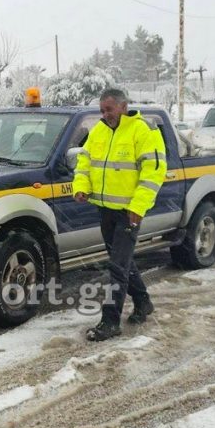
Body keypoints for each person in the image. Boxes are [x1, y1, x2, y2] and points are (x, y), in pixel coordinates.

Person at [73, 88, 167, 342]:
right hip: (105, 209)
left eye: (109, 109)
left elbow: (153, 172)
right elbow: (84, 161)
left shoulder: (143, 130)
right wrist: (81, 187)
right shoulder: (98, 131)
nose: (105, 115)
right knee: (121, 261)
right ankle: (143, 302)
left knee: (117, 265)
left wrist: (138, 207)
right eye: (102, 110)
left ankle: (111, 320)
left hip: (129, 212)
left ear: (124, 106)